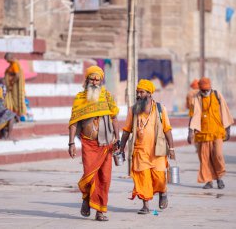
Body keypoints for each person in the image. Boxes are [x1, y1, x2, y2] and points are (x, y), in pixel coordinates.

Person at [68, 65, 120, 221]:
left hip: (106, 144)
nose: (95, 82)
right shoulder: (80, 98)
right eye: (92, 79)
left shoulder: (107, 96)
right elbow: (74, 123)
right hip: (88, 144)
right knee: (89, 176)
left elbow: (114, 118)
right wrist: (71, 143)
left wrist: (117, 138)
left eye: (98, 79)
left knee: (104, 178)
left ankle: (100, 211)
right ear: (87, 80)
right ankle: (86, 198)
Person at [119, 79, 175, 215]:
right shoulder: (133, 110)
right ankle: (145, 205)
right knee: (143, 178)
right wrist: (121, 148)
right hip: (140, 151)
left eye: (141, 92)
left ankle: (163, 192)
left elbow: (167, 129)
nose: (138, 95)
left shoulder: (160, 109)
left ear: (149, 94)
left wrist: (171, 149)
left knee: (160, 178)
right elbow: (126, 130)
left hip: (158, 151)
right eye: (137, 92)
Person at [187, 77, 234, 189]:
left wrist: (228, 130)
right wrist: (190, 132)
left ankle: (219, 178)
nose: (205, 92)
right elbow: (192, 116)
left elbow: (225, 112)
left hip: (217, 132)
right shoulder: (196, 98)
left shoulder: (217, 95)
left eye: (207, 90)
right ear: (200, 89)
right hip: (202, 133)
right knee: (205, 158)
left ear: (210, 87)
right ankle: (208, 181)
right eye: (203, 90)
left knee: (217, 155)